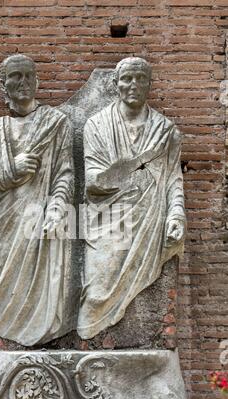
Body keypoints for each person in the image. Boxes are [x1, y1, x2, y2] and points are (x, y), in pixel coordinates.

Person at [0, 54, 74, 346]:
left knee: (34, 301)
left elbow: (64, 174)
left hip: (36, 227)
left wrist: (58, 208)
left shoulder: (55, 124)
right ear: (3, 84)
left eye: (28, 76)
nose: (23, 82)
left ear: (37, 81)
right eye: (15, 76)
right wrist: (9, 172)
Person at [77, 57, 186, 339]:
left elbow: (173, 179)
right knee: (95, 293)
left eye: (140, 79)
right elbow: (93, 183)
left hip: (150, 223)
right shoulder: (97, 126)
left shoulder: (166, 131)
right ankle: (93, 347)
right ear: (115, 84)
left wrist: (176, 214)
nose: (133, 85)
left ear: (149, 84)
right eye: (127, 79)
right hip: (108, 223)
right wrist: (134, 165)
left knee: (147, 302)